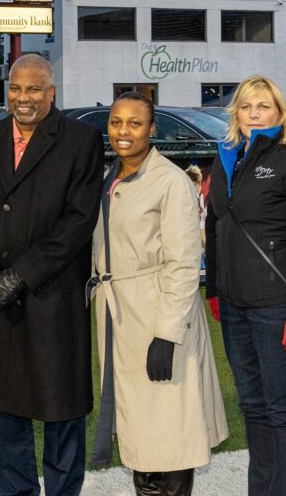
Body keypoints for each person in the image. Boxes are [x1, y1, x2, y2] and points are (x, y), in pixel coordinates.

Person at [0, 54, 103, 496]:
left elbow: (78, 223)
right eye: (16, 89)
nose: (24, 98)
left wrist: (19, 276)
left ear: (51, 92)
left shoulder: (81, 141)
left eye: (34, 89)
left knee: (62, 412)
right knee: (7, 413)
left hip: (52, 298)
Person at [89, 93, 227, 495]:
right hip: (121, 316)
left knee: (169, 434)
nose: (123, 131)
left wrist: (166, 333)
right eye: (116, 122)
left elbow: (184, 263)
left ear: (152, 129)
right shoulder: (108, 177)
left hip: (159, 317)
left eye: (134, 123)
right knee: (139, 431)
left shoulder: (171, 181)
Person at [205, 75, 286, 495]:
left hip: (278, 307)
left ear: (279, 113)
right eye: (246, 106)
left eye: (264, 106)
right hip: (235, 307)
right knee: (254, 409)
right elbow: (215, 222)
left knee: (284, 410)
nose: (254, 113)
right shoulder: (226, 157)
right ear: (235, 113)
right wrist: (214, 288)